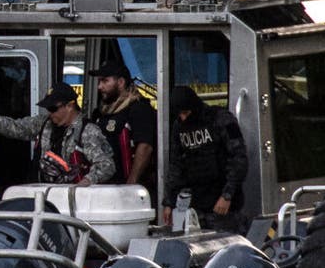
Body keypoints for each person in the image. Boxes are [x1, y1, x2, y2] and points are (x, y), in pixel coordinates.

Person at [0, 82, 115, 186]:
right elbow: (16, 127)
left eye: (53, 109)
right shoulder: (44, 123)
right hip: (41, 194)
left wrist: (86, 182)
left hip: (68, 200)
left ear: (70, 106)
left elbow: (106, 165)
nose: (50, 113)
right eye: (48, 109)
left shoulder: (88, 131)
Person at [162, 85, 248, 233]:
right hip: (196, 205)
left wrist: (227, 195)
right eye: (179, 114)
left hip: (223, 205)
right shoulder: (179, 126)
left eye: (185, 112)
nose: (183, 117)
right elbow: (176, 165)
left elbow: (239, 157)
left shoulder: (220, 119)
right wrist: (169, 202)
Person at [89, 60, 157, 200]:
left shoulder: (139, 108)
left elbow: (145, 147)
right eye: (99, 82)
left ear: (120, 82)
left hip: (132, 192)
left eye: (105, 81)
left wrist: (131, 183)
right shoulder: (100, 112)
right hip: (103, 189)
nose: (99, 86)